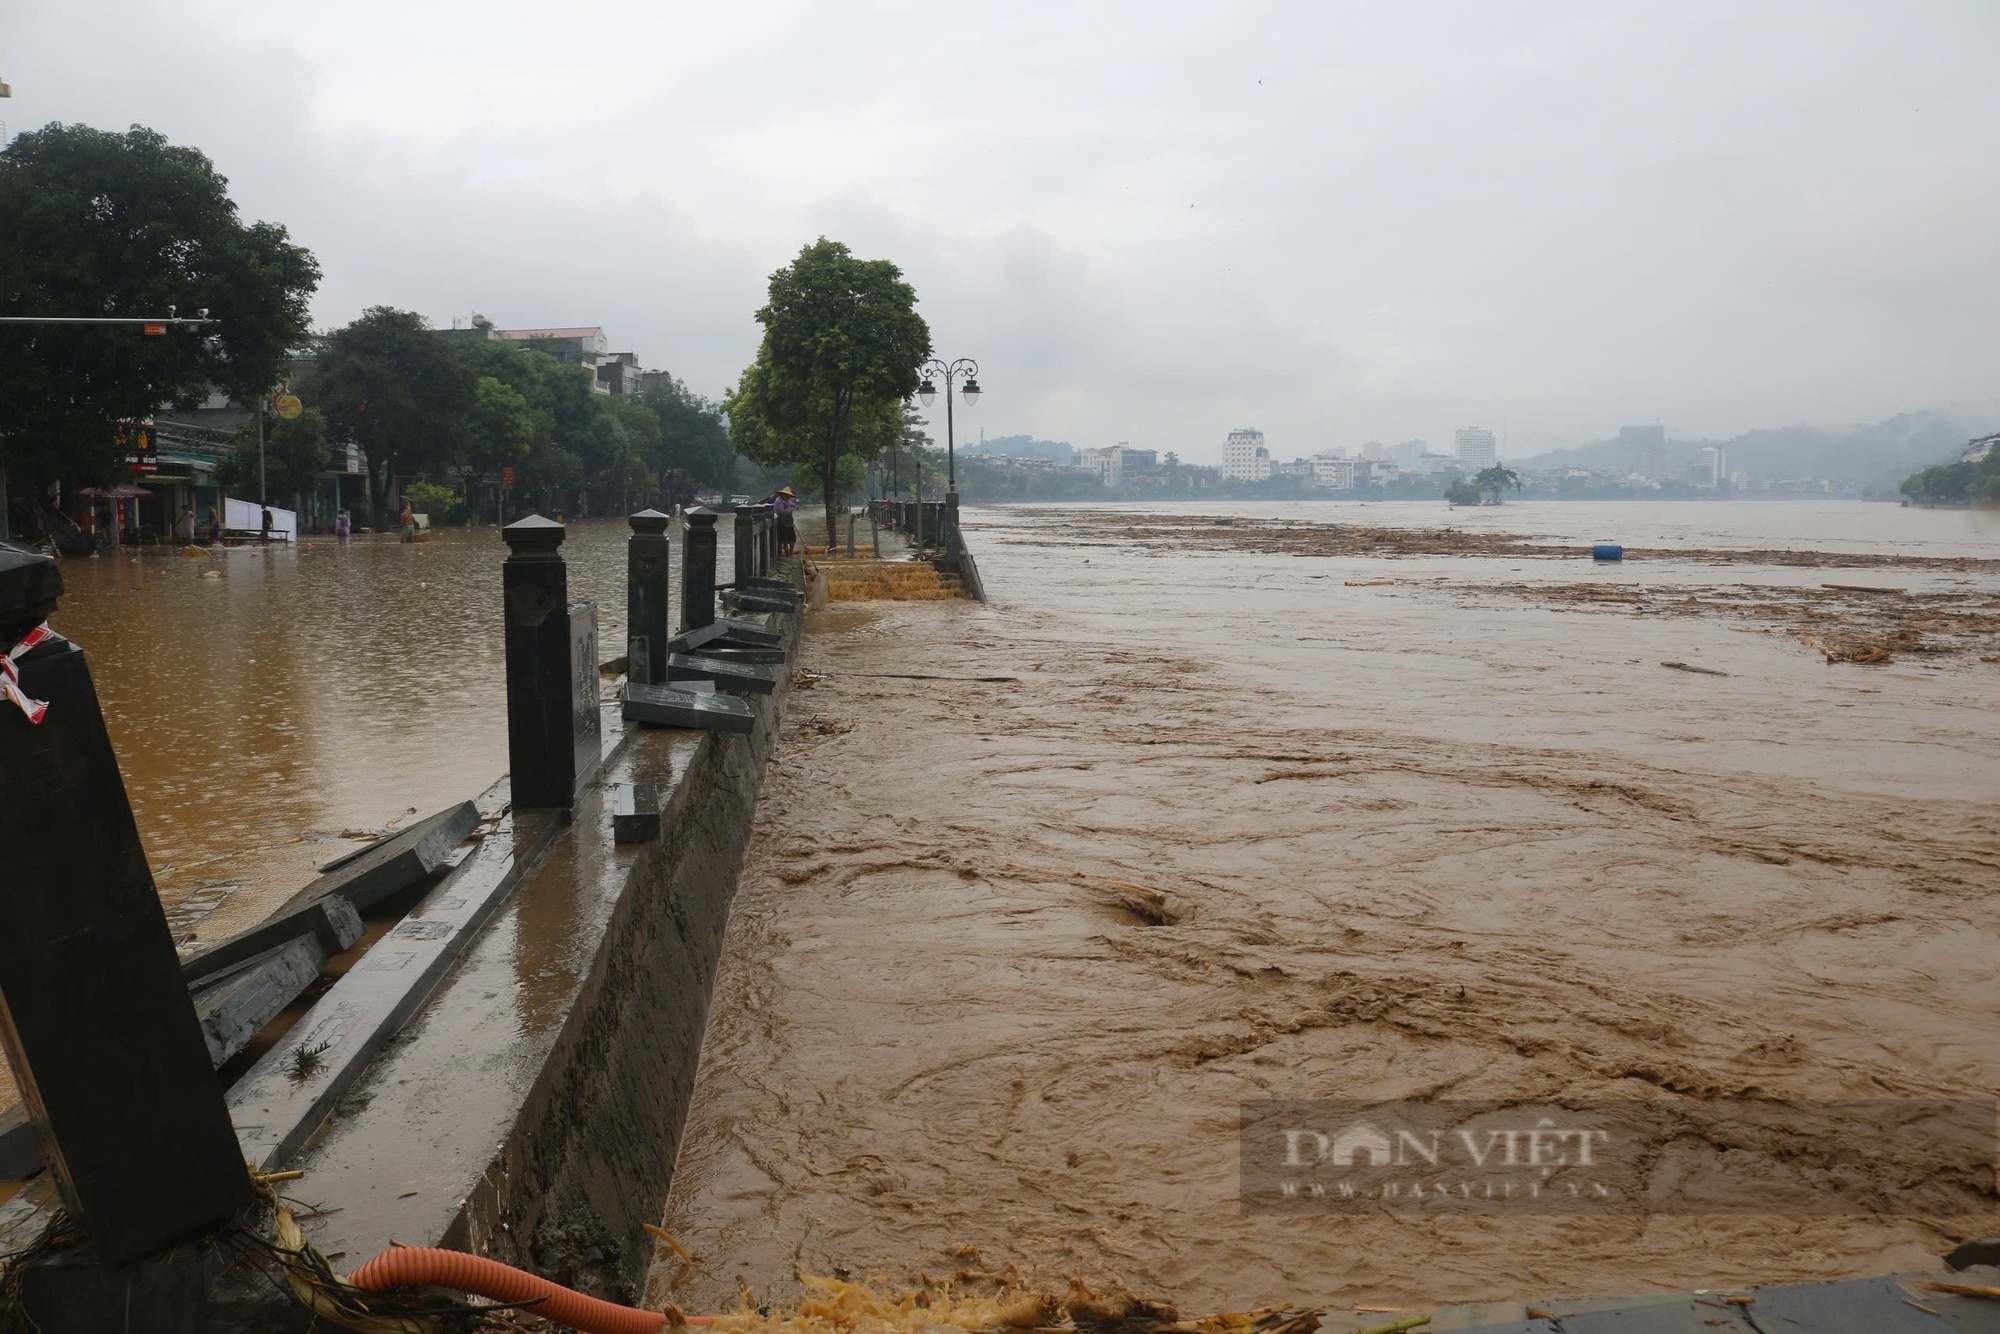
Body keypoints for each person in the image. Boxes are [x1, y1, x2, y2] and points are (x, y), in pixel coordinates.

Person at [771, 485, 798, 556]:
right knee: (785, 540)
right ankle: (787, 555)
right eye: (787, 495)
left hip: (789, 522)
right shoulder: (778, 501)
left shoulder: (787, 500)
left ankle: (791, 554)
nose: (788, 496)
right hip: (782, 522)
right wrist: (790, 509)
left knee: (793, 539)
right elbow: (781, 512)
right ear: (783, 494)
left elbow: (792, 505)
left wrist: (793, 506)